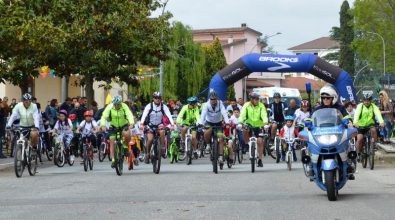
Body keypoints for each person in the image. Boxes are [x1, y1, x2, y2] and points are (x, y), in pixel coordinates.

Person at [100, 95, 135, 168]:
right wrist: (103, 125)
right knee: (112, 141)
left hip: (123, 125)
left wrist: (131, 123)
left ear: (120, 103)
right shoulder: (109, 107)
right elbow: (104, 116)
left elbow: (129, 115)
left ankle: (125, 146)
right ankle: (113, 160)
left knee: (127, 134)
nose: (116, 106)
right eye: (115, 104)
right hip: (113, 126)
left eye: (118, 104)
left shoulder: (124, 106)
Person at [140, 92, 174, 164]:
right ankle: (147, 153)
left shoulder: (164, 106)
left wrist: (172, 124)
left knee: (162, 132)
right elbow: (144, 115)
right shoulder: (149, 106)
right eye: (156, 98)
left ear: (161, 99)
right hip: (150, 125)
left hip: (159, 125)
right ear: (153, 98)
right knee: (150, 139)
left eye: (159, 98)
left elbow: (169, 115)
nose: (157, 99)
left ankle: (162, 148)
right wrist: (142, 124)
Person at [199, 90, 230, 166]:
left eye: (215, 99)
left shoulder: (220, 104)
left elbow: (224, 113)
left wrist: (227, 122)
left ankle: (220, 156)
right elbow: (203, 114)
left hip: (218, 123)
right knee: (207, 133)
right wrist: (200, 123)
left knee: (221, 138)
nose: (213, 101)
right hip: (209, 122)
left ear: (217, 99)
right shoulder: (206, 105)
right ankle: (208, 145)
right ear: (210, 99)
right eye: (212, 99)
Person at [238, 92, 268, 167]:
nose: (257, 100)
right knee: (244, 130)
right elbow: (242, 114)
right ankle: (247, 144)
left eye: (258, 99)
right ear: (251, 99)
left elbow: (264, 114)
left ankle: (260, 159)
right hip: (249, 124)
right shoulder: (246, 105)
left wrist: (265, 123)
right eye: (256, 99)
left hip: (259, 125)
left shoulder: (261, 105)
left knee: (260, 141)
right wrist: (240, 122)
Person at [354, 93, 385, 157]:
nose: (366, 102)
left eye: (368, 100)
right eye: (365, 100)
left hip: (370, 125)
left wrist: (381, 122)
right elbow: (356, 114)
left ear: (371, 101)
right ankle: (358, 153)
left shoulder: (374, 106)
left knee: (373, 130)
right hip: (360, 126)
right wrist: (355, 122)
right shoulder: (360, 106)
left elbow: (378, 114)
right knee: (360, 139)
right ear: (363, 101)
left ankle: (374, 145)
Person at [176, 96, 200, 162]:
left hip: (193, 125)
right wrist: (178, 122)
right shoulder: (185, 107)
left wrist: (198, 122)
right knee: (184, 129)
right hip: (186, 123)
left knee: (194, 137)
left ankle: (195, 150)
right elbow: (180, 115)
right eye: (195, 103)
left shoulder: (196, 108)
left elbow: (197, 116)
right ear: (191, 103)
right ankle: (183, 142)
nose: (196, 104)